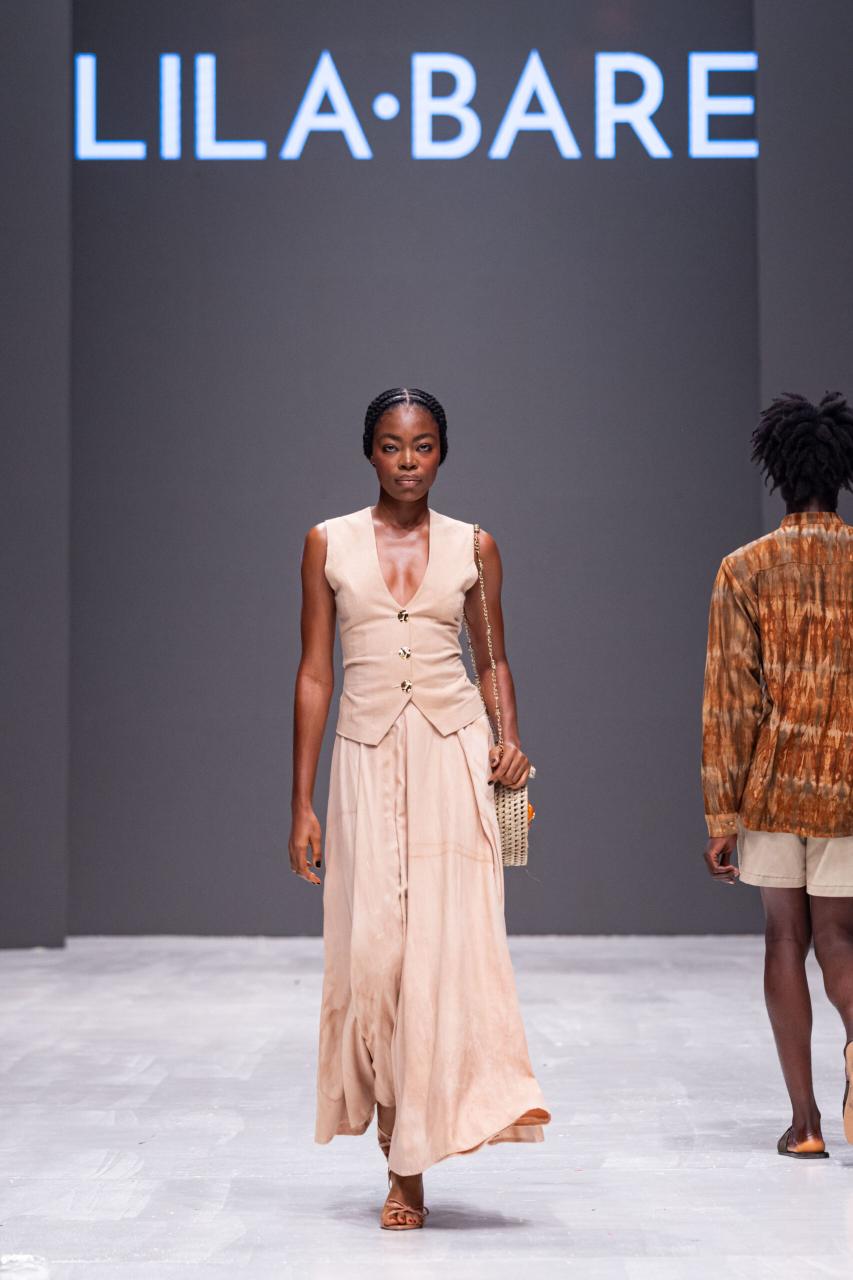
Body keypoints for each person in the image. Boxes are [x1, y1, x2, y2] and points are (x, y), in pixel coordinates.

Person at [289, 387, 550, 1229]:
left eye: (424, 445)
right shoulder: (327, 542)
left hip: (452, 757)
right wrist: (300, 802)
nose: (408, 461)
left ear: (443, 451)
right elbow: (315, 673)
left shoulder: (474, 545)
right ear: (369, 450)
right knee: (374, 958)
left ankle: (407, 1167)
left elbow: (492, 658)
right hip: (364, 759)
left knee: (443, 954)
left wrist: (509, 740)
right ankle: (395, 1125)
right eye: (393, 445)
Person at [701, 390, 853, 1159]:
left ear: (778, 473)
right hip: (848, 783)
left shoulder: (744, 569)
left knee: (783, 936)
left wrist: (719, 815)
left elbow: (729, 701)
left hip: (771, 784)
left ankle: (805, 1124)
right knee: (839, 937)